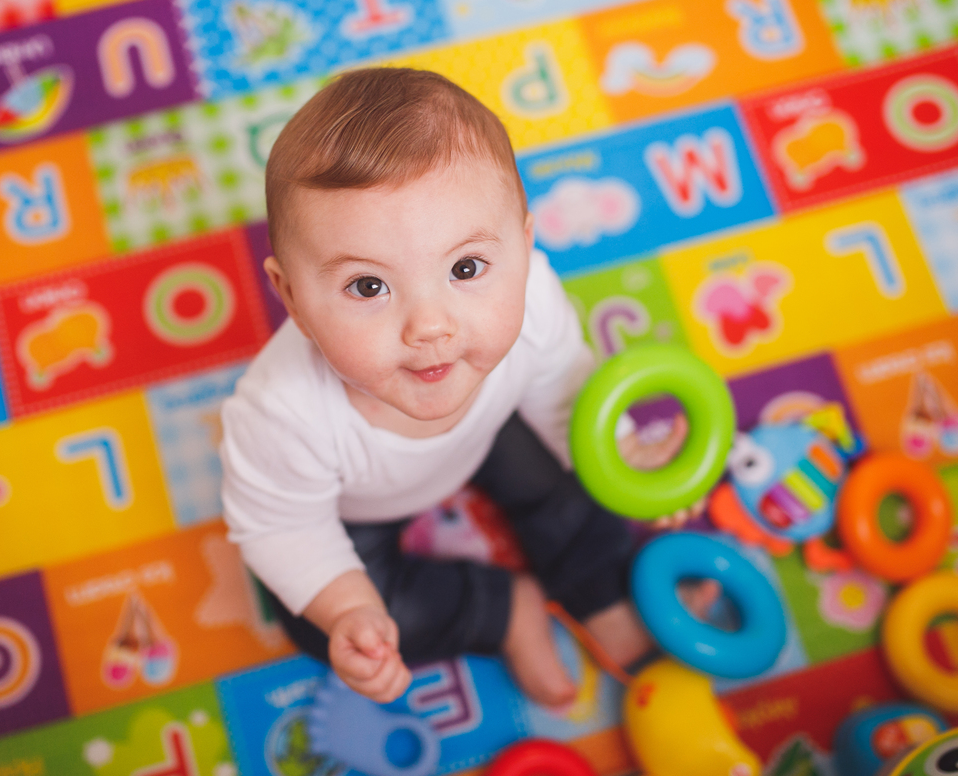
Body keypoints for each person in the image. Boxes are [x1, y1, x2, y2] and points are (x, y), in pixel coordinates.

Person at [219, 67, 708, 709]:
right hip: (355, 510)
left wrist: (624, 459)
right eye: (368, 287)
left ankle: (604, 599)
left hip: (490, 427)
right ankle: (500, 610)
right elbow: (280, 530)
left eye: (467, 268)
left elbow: (566, 393)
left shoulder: (530, 302)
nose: (430, 327)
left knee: (571, 483)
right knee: (324, 622)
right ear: (293, 299)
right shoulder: (280, 415)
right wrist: (348, 610)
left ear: (524, 251)